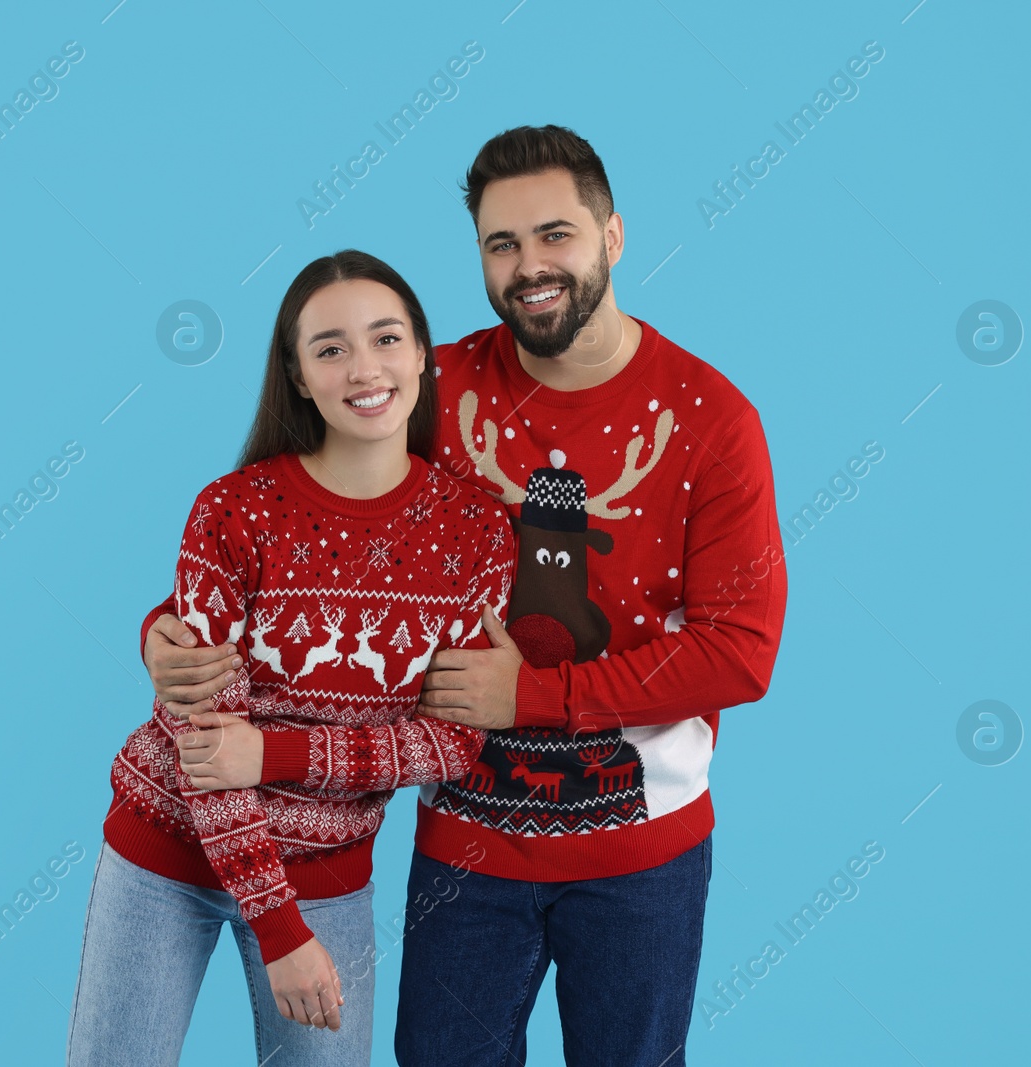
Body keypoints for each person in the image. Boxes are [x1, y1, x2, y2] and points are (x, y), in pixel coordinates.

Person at [138, 126, 788, 1065]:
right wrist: (166, 629)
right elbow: (294, 523)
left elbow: (741, 651)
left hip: (641, 854)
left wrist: (531, 697)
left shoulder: (712, 419)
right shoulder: (430, 384)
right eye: (501, 243)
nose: (530, 266)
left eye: (555, 235)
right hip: (465, 846)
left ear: (614, 235)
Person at [66, 250, 518, 1067]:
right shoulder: (233, 512)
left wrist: (275, 750)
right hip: (168, 853)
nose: (364, 368)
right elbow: (206, 746)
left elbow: (452, 740)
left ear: (422, 352)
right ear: (299, 376)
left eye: (385, 338)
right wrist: (279, 928)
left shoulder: (477, 534)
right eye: (331, 348)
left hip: (330, 873)